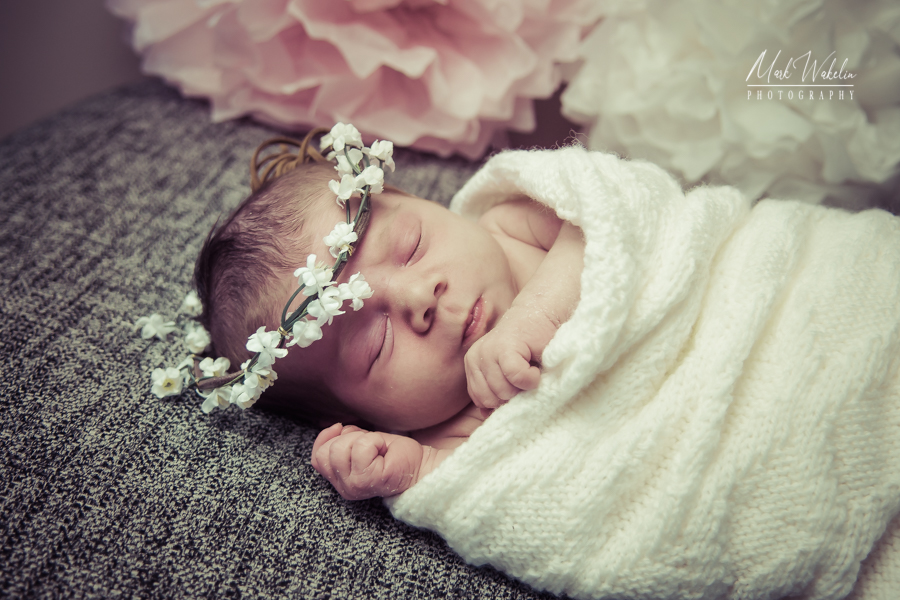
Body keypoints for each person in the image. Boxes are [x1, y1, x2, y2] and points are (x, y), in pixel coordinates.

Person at [194, 143, 585, 501]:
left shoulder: (516, 227)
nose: (419, 298)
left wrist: (536, 316)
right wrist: (419, 471)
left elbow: (609, 218)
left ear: (422, 201)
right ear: (355, 416)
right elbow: (526, 501)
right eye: (377, 342)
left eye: (411, 245)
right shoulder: (447, 438)